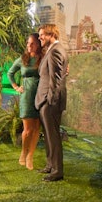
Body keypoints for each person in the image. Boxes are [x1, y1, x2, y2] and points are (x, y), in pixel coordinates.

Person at [35, 24, 68, 182]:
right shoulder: (52, 50)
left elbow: (56, 79)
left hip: (50, 102)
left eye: (42, 35)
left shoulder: (55, 50)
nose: (39, 37)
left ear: (51, 34)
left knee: (53, 136)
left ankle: (57, 171)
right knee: (48, 135)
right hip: (45, 101)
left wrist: (50, 101)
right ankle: (50, 165)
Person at [7, 33, 44, 170]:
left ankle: (30, 156)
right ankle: (23, 152)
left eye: (32, 43)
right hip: (27, 95)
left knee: (36, 129)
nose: (29, 46)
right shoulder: (22, 59)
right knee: (27, 129)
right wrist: (16, 86)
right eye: (28, 43)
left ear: (38, 44)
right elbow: (10, 73)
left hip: (40, 95)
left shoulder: (43, 58)